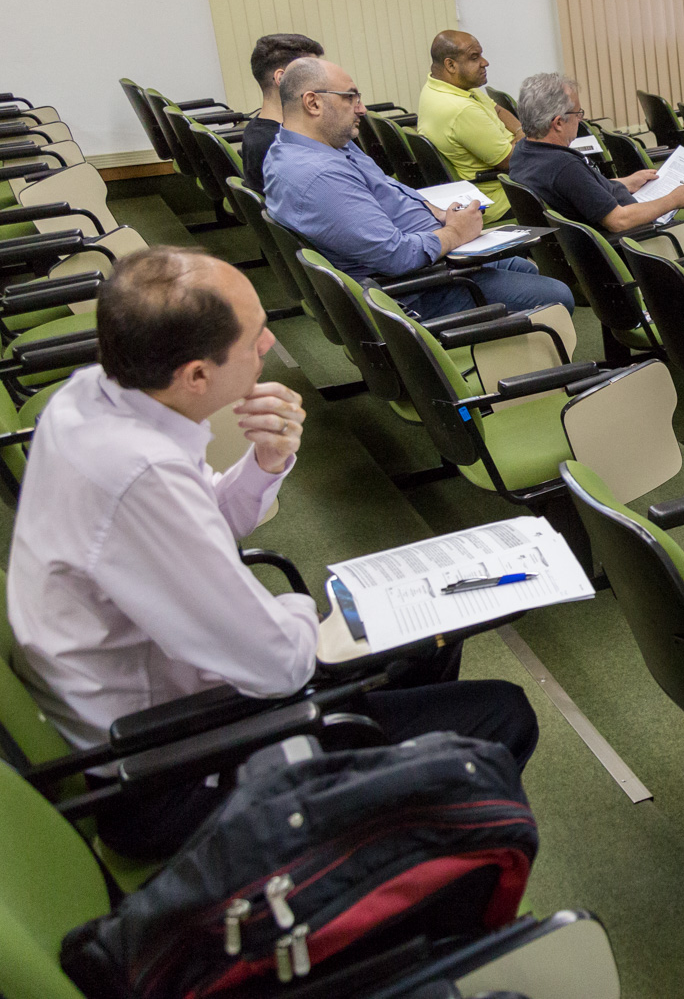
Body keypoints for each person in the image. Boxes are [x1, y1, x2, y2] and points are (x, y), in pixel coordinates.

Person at [5, 246, 539, 857]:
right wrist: (313, 612)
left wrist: (267, 461)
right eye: (255, 337)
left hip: (172, 705)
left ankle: (395, 798)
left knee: (429, 638)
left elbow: (202, 520)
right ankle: (388, 870)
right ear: (197, 375)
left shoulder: (93, 397)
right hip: (169, 772)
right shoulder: (139, 474)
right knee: (502, 712)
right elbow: (277, 666)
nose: (268, 343)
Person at [264, 57, 574, 320]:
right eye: (350, 98)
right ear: (313, 103)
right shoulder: (320, 176)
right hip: (416, 289)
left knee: (521, 266)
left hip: (430, 257)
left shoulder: (311, 145)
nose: (361, 109)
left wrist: (438, 214)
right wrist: (455, 232)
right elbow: (395, 256)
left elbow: (387, 189)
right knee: (557, 296)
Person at [508, 72, 684, 233]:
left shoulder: (524, 151)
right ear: (558, 123)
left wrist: (625, 182)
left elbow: (577, 192)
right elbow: (619, 221)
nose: (580, 119)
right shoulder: (564, 167)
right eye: (577, 113)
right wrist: (673, 200)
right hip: (640, 238)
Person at [417, 30, 522, 222]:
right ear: (450, 65)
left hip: (503, 176)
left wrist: (520, 131)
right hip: (500, 196)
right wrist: (528, 135)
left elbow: (498, 110)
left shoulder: (446, 87)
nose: (485, 62)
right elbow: (511, 160)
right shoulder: (460, 109)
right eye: (474, 57)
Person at [238, 32, 322, 192]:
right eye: (314, 73)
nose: (323, 81)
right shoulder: (280, 146)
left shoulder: (257, 130)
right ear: (282, 79)